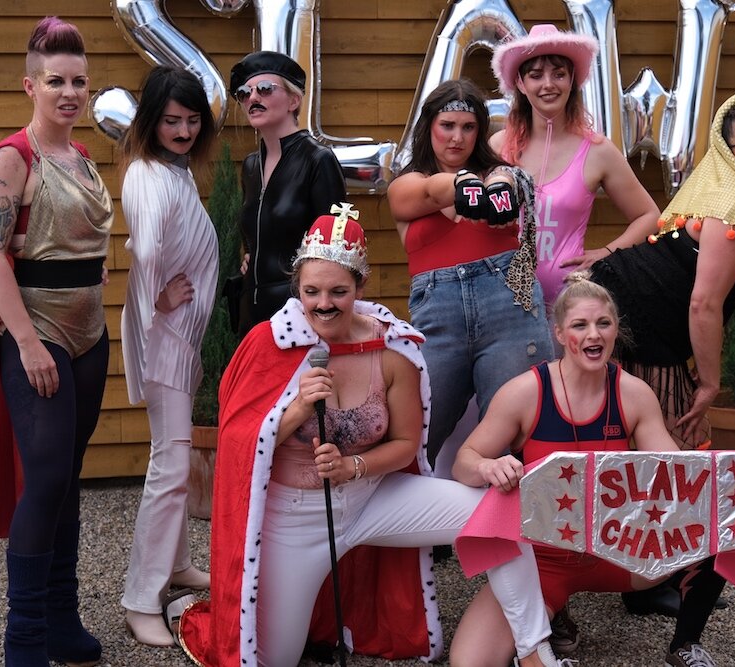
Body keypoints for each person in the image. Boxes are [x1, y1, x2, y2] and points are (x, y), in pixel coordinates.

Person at [178, 206, 566, 667]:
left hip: (372, 499)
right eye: (311, 292)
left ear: (360, 288)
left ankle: (534, 652)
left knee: (499, 515)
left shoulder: (392, 349)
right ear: (296, 288)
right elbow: (238, 442)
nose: (324, 304)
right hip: (295, 519)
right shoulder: (270, 344)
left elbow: (405, 444)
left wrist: (352, 467)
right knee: (272, 658)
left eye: (339, 291)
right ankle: (182, 612)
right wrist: (298, 408)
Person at [449, 274, 735, 667]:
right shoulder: (526, 393)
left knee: (721, 513)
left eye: (603, 324)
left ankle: (685, 645)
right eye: (580, 325)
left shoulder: (631, 392)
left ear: (616, 330)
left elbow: (681, 475)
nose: (593, 334)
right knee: (470, 662)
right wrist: (489, 465)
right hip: (542, 564)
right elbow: (465, 461)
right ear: (560, 333)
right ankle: (553, 614)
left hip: (620, 552)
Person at [0, 16, 114, 667]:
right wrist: (25, 341)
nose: (69, 91)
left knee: (66, 478)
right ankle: (22, 642)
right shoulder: (11, 160)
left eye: (78, 80)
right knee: (45, 477)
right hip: (37, 338)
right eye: (56, 80)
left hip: (91, 338)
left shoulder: (82, 157)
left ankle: (59, 621)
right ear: (31, 85)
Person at [589, 90, 735, 450]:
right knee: (670, 451)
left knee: (661, 453)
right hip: (631, 318)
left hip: (651, 322)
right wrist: (711, 384)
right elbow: (704, 303)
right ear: (728, 155)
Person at [387, 78, 554, 471]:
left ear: (480, 131)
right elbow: (432, 193)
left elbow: (507, 182)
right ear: (429, 127)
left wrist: (499, 183)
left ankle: (504, 531)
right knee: (419, 429)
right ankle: (411, 529)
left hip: (508, 303)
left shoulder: (501, 174)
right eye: (447, 125)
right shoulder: (406, 183)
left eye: (468, 127)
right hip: (439, 311)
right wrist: (466, 185)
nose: (457, 138)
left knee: (513, 431)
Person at [117, 66, 217, 646]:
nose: (182, 130)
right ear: (150, 121)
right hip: (166, 339)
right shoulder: (148, 174)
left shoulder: (172, 173)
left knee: (171, 460)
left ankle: (176, 564)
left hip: (179, 338)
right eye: (171, 120)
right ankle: (140, 596)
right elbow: (147, 245)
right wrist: (156, 296)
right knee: (173, 466)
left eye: (191, 119)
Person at [490, 24, 660, 310]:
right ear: (520, 82)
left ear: (572, 81)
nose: (548, 84)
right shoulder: (498, 146)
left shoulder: (596, 150)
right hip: (503, 306)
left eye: (559, 74)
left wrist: (605, 254)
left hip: (567, 307)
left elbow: (650, 215)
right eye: (536, 75)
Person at [230, 50, 347, 337]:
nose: (253, 98)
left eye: (265, 89)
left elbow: (336, 244)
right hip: (252, 314)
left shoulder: (317, 159)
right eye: (245, 93)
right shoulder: (251, 165)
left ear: (294, 100)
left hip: (300, 313)